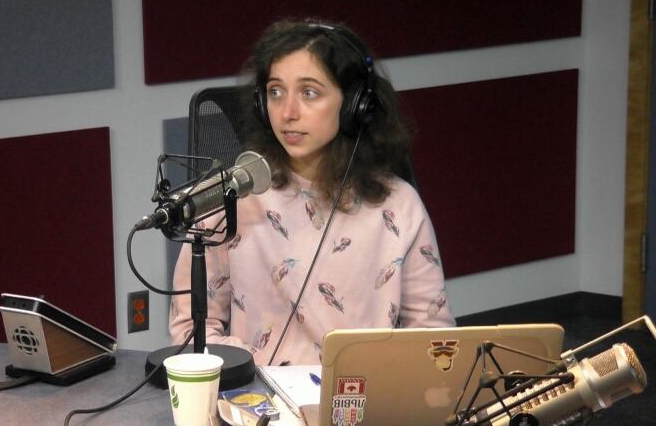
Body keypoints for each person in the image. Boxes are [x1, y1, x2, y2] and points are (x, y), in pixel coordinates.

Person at [169, 18, 454, 366]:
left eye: (309, 93)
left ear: (354, 107)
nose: (287, 112)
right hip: (256, 402)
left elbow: (433, 337)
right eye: (275, 91)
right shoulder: (231, 195)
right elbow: (191, 330)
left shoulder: (399, 206)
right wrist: (247, 373)